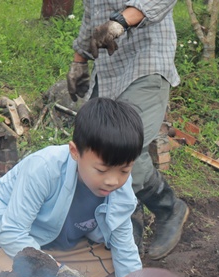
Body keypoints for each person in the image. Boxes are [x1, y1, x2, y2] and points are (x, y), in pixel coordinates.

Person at [66, 0, 188, 259]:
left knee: (129, 147)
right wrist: (79, 61)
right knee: (98, 148)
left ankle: (145, 228)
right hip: (108, 71)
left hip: (146, 61)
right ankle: (136, 229)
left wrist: (121, 21)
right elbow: (92, 14)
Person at [0, 98, 142, 277]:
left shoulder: (121, 187)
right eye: (101, 170)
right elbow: (11, 234)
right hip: (6, 234)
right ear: (75, 152)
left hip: (56, 239)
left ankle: (57, 265)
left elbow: (124, 247)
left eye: (124, 171)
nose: (113, 181)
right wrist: (59, 271)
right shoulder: (43, 169)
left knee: (119, 273)